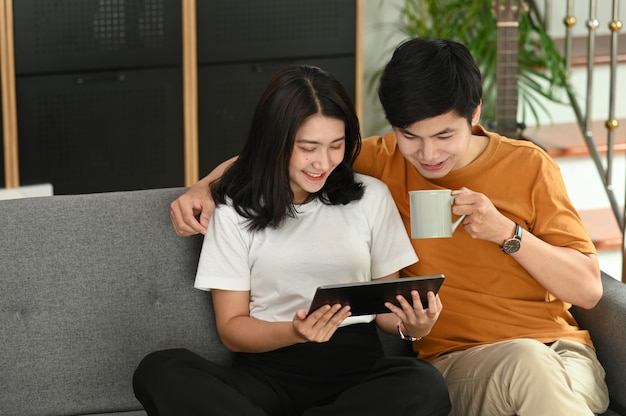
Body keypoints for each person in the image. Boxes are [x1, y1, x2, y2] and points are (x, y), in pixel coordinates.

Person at [169, 39, 611, 415]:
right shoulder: (377, 164)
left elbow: (589, 290)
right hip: (465, 362)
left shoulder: (529, 165)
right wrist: (204, 186)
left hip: (561, 351)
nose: (427, 155)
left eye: (444, 136)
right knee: (526, 367)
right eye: (410, 135)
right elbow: (281, 155)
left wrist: (508, 234)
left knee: (537, 368)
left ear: (475, 113)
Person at [134, 64, 451, 416]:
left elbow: (385, 315)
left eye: (336, 145)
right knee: (160, 370)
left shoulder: (371, 197)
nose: (323, 161)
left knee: (425, 385)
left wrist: (414, 325)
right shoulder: (233, 211)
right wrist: (296, 331)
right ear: (275, 141)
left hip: (357, 376)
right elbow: (233, 329)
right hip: (268, 375)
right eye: (308, 147)